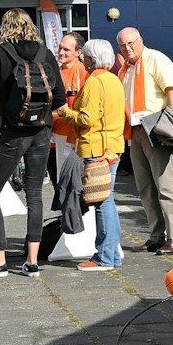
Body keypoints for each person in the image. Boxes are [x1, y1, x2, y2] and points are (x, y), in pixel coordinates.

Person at [0, 7, 64, 277]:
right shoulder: (46, 54)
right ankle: (32, 262)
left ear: (5, 28)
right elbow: (58, 99)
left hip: (13, 132)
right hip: (42, 132)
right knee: (34, 194)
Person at [56, 38, 127, 271]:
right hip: (112, 145)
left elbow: (87, 119)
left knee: (101, 201)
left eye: (85, 55)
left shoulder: (95, 81)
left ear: (91, 59)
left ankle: (104, 256)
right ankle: (112, 254)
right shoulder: (113, 79)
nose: (83, 59)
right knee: (108, 200)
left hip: (96, 149)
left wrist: (67, 112)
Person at [118, 26, 173, 253]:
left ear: (140, 40)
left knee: (165, 185)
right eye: (122, 45)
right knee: (144, 187)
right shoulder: (125, 68)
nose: (127, 48)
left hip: (154, 128)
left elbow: (171, 90)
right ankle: (156, 236)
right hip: (134, 130)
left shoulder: (155, 58)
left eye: (130, 43)